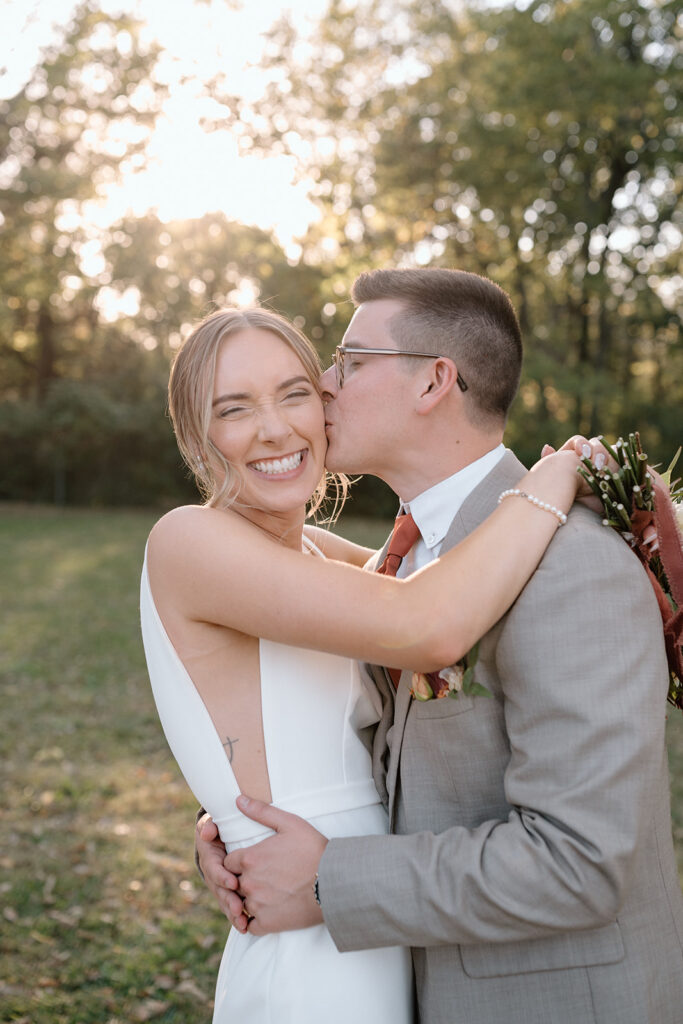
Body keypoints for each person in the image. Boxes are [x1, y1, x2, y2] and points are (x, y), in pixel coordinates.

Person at [197, 270, 683, 1024]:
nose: (323, 385)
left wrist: (327, 881)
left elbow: (578, 864)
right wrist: (241, 838)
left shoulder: (572, 566)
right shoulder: (406, 563)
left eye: (349, 361)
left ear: (433, 381)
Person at [141, 302, 590, 1024]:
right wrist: (551, 480)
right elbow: (428, 623)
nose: (275, 429)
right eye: (234, 408)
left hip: (369, 910)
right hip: (309, 946)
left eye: (294, 393)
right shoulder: (187, 541)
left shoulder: (322, 554)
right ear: (198, 436)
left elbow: (445, 572)